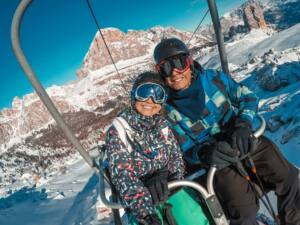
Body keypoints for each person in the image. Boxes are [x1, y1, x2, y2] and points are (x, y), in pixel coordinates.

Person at [153, 37, 300, 225]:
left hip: (241, 137)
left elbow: (247, 97)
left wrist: (243, 123)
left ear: (189, 63)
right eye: (166, 67)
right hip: (218, 160)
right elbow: (182, 149)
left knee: (288, 178)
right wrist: (204, 154)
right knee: (243, 212)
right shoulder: (167, 110)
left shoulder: (214, 79)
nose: (174, 72)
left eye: (179, 63)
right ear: (160, 73)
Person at [105, 71, 185, 225]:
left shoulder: (162, 124)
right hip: (141, 203)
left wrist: (172, 180)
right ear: (134, 95)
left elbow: (176, 157)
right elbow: (123, 175)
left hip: (172, 191)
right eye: (144, 93)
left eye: (158, 95)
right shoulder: (119, 130)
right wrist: (146, 213)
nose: (150, 100)